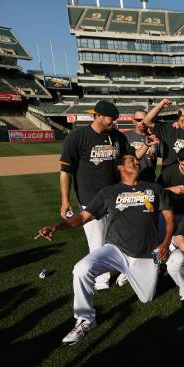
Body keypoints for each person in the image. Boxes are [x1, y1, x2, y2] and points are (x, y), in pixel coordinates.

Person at [37, 154, 174, 344]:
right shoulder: (109, 192)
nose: (137, 162)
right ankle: (85, 320)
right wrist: (57, 226)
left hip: (145, 253)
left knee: (147, 298)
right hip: (115, 250)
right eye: (132, 160)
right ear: (119, 167)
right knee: (81, 269)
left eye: (137, 160)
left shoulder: (154, 188)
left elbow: (169, 219)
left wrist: (166, 242)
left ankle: (133, 274)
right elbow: (83, 217)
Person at [60, 100, 154, 291]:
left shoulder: (117, 136)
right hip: (90, 199)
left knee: (121, 238)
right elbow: (65, 172)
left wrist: (146, 144)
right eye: (112, 118)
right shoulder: (77, 137)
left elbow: (132, 156)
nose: (114, 122)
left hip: (116, 198)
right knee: (97, 242)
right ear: (98, 116)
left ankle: (126, 270)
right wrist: (64, 201)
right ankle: (100, 280)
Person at [143, 100, 184, 170]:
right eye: (183, 116)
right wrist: (161, 105)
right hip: (169, 175)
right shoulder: (170, 129)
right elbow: (146, 121)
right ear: (178, 117)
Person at [124, 109, 157, 182]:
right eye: (139, 120)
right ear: (134, 121)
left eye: (145, 119)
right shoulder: (124, 137)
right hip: (131, 180)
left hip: (150, 180)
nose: (142, 122)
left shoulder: (155, 137)